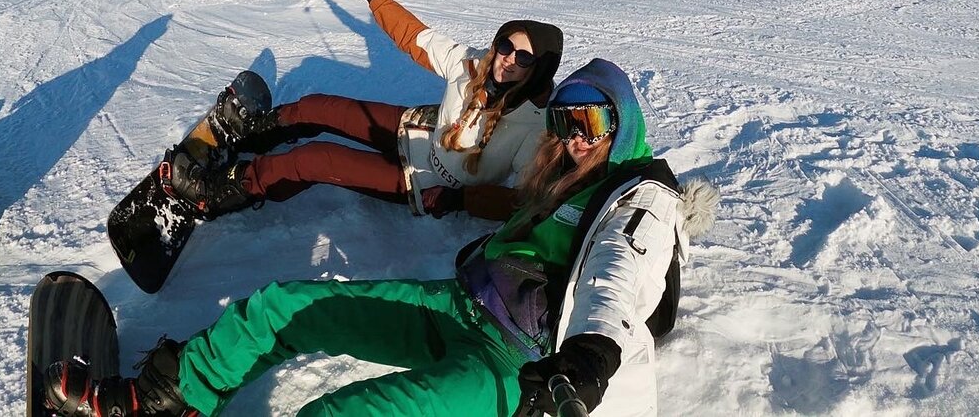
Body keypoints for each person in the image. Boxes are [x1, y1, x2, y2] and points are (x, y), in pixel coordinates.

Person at [44, 59, 717, 417]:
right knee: (284, 306)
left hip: (521, 369)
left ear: (623, 121)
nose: (575, 133)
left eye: (592, 118)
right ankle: (171, 398)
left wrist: (585, 362)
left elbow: (615, 280)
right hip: (465, 306)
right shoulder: (563, 173)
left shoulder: (642, 199)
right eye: (566, 116)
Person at [163, 0, 565, 222]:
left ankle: (217, 193)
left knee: (315, 159)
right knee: (321, 107)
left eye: (524, 59)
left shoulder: (534, 126)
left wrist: (459, 202)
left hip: (423, 180)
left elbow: (521, 199)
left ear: (539, 70)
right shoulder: (473, 64)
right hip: (417, 130)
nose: (508, 59)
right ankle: (255, 132)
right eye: (506, 46)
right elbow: (417, 38)